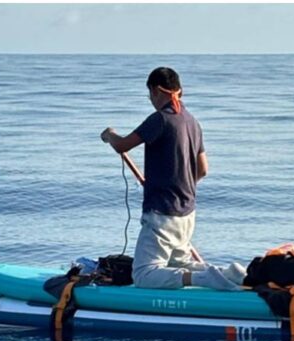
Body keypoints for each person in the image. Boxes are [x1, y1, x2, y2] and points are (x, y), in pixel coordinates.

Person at [100, 67, 240, 291]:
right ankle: (227, 274)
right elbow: (203, 169)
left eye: (149, 96)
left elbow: (122, 145)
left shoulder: (160, 120)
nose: (151, 101)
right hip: (186, 214)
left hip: (162, 215)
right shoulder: (193, 122)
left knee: (143, 274)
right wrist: (176, 185)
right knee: (178, 263)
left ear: (156, 91)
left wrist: (109, 135)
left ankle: (201, 279)